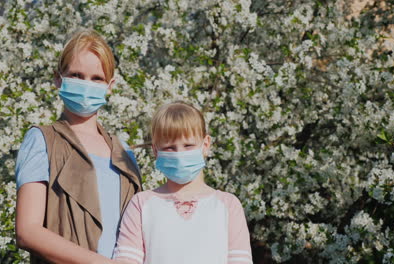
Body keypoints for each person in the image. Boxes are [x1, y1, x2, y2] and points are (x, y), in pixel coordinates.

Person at [15, 29, 142, 264]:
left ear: (110, 85)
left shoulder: (124, 150)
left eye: (97, 78)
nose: (86, 85)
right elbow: (27, 231)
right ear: (58, 79)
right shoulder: (42, 140)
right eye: (76, 75)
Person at [112, 101, 253, 264]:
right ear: (156, 151)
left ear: (205, 145)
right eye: (170, 148)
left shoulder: (228, 205)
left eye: (188, 145)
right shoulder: (141, 204)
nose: (179, 154)